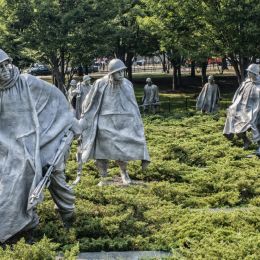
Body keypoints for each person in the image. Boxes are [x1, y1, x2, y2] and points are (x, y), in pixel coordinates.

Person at [0, 49, 81, 243]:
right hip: (9, 147)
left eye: (5, 65)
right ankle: (20, 226)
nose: (4, 71)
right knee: (12, 181)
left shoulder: (27, 82)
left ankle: (67, 214)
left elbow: (55, 100)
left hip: (40, 140)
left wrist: (70, 121)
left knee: (52, 173)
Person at [79, 58, 150, 186]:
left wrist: (136, 120)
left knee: (122, 150)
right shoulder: (100, 83)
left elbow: (133, 104)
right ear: (111, 73)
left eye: (122, 71)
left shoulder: (127, 84)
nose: (121, 74)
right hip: (104, 123)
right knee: (101, 153)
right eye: (118, 72)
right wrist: (85, 114)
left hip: (122, 123)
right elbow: (89, 101)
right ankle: (103, 177)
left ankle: (124, 173)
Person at [223, 64, 260, 154]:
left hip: (255, 111)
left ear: (254, 73)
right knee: (233, 119)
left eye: (250, 72)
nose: (248, 73)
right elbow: (238, 96)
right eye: (248, 71)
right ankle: (246, 140)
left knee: (253, 123)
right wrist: (233, 106)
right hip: (242, 110)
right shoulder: (246, 83)